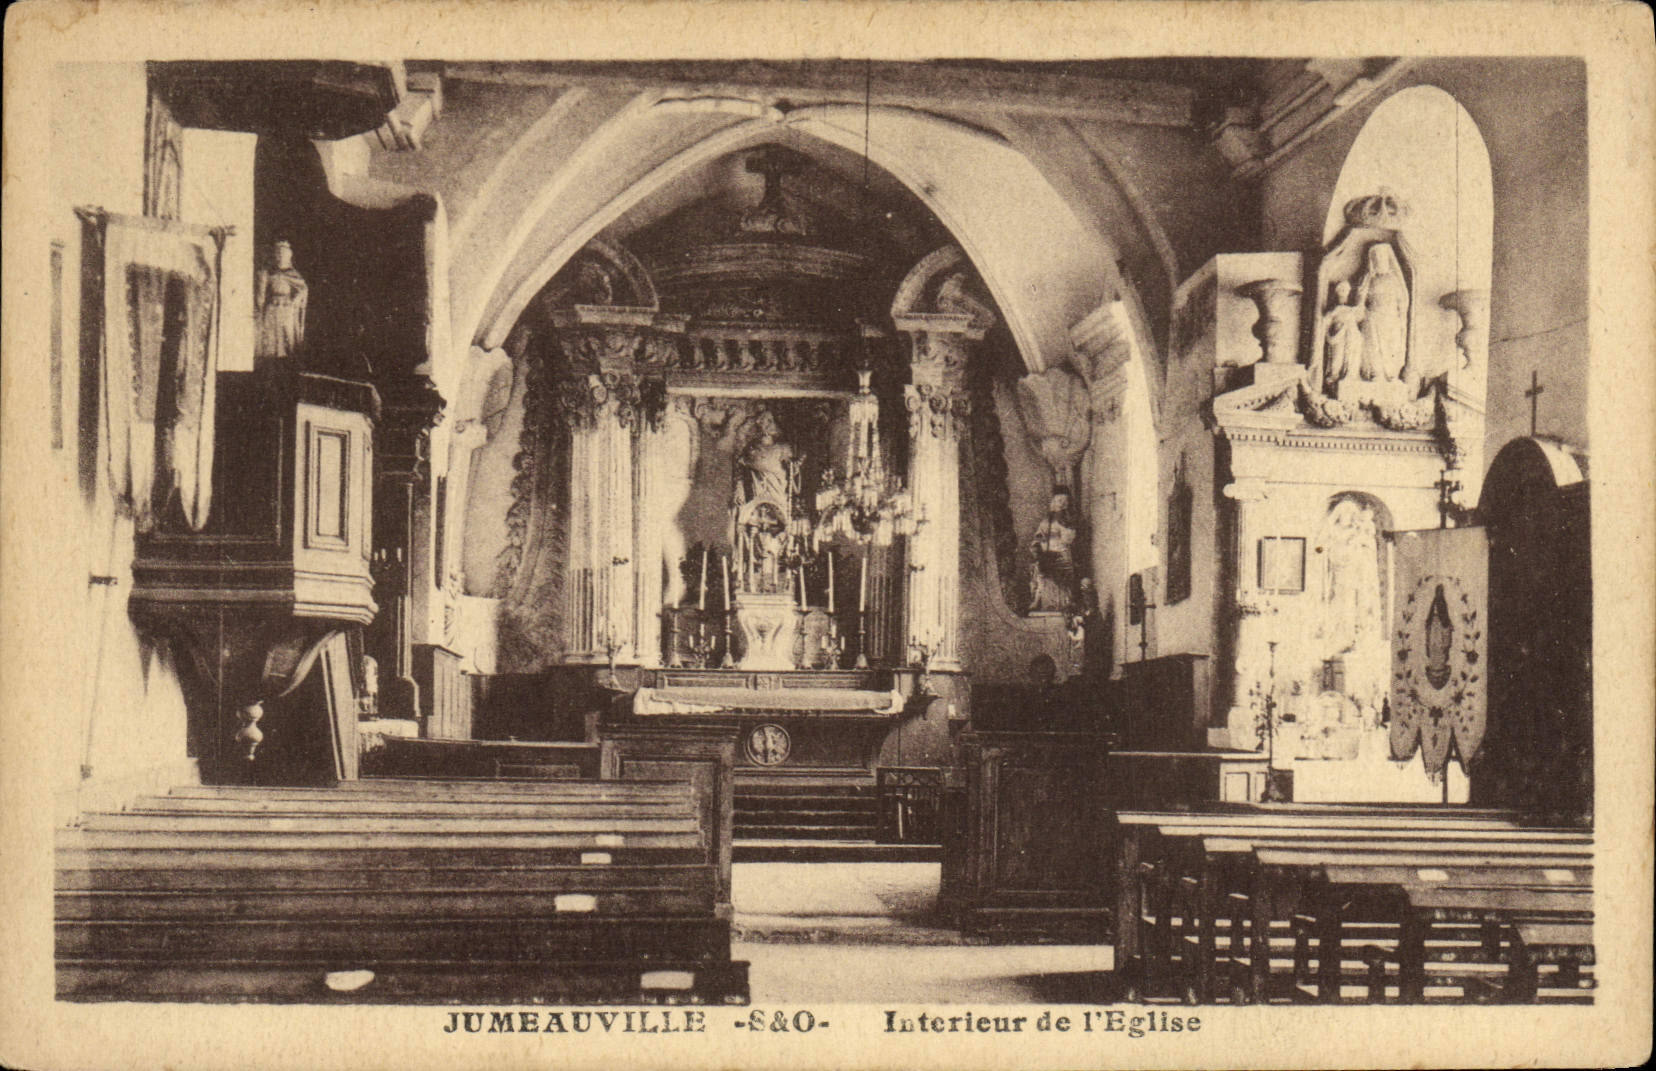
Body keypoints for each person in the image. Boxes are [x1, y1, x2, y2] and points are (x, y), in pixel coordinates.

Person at [1355, 243, 1409, 384]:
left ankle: (1391, 374)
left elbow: (1402, 301)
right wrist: (1364, 286)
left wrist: (1400, 317)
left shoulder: (1394, 280)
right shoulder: (1369, 279)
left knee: (1392, 345)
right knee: (1373, 346)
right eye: (1376, 259)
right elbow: (1360, 301)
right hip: (1373, 317)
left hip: (1391, 318)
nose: (1379, 262)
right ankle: (1376, 373)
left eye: (1382, 258)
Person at [255, 240, 308, 361]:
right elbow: (261, 293)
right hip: (272, 308)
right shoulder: (269, 272)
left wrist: (296, 300)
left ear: (289, 255)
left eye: (283, 254)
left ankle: (287, 364)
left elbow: (303, 289)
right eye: (278, 254)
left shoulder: (293, 274)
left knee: (287, 338)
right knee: (270, 340)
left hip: (286, 308)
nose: (280, 256)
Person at [1029, 487, 1079, 612]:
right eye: (1058, 501)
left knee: (1065, 586)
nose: (1061, 504)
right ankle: (1040, 602)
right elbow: (1038, 537)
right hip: (1048, 556)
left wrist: (1066, 524)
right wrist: (1037, 550)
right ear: (1053, 503)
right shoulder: (1047, 522)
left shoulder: (1070, 521)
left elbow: (1069, 540)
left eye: (1064, 501)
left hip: (1064, 555)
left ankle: (1066, 607)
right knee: (1044, 580)